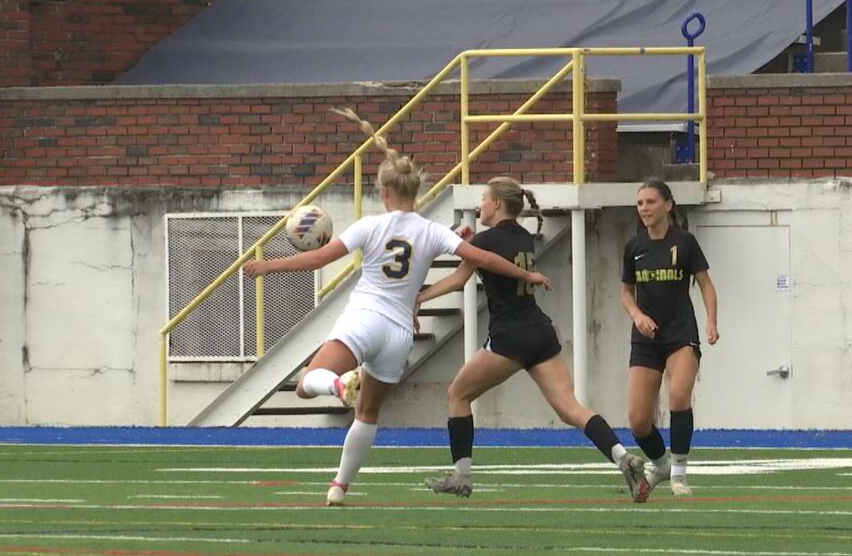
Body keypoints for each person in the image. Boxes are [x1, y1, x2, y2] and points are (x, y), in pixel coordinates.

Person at [244, 108, 551, 507]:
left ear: (385, 192)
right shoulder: (433, 230)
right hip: (400, 333)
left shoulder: (370, 225)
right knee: (367, 412)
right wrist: (527, 274)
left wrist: (269, 266)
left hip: (366, 317)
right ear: (414, 192)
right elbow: (485, 259)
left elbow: (319, 259)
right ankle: (339, 487)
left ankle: (338, 386)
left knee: (307, 384)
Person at [416, 176, 646, 499]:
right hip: (539, 331)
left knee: (458, 394)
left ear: (497, 203)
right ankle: (623, 457)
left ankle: (461, 476)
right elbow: (492, 254)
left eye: (484, 199)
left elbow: (458, 279)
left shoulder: (486, 240)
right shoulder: (525, 236)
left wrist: (419, 298)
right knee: (571, 408)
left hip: (509, 336)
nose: (480, 205)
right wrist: (471, 242)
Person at [621, 179, 719, 502]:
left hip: (680, 333)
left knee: (678, 397)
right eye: (640, 203)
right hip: (646, 339)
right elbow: (626, 292)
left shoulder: (685, 242)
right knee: (638, 421)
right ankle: (661, 465)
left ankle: (678, 474)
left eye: (650, 202)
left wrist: (711, 321)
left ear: (668, 205)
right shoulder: (634, 247)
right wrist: (637, 315)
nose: (644, 208)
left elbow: (705, 284)